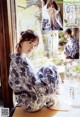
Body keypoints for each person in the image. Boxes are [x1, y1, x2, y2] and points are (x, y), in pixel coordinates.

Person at [9, 30, 62, 112]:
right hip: (31, 102)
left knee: (48, 67)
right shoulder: (19, 61)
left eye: (34, 45)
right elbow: (36, 87)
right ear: (21, 40)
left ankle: (54, 96)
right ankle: (54, 98)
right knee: (50, 68)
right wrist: (49, 89)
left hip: (28, 98)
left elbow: (31, 78)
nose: (31, 48)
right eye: (30, 42)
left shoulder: (20, 58)